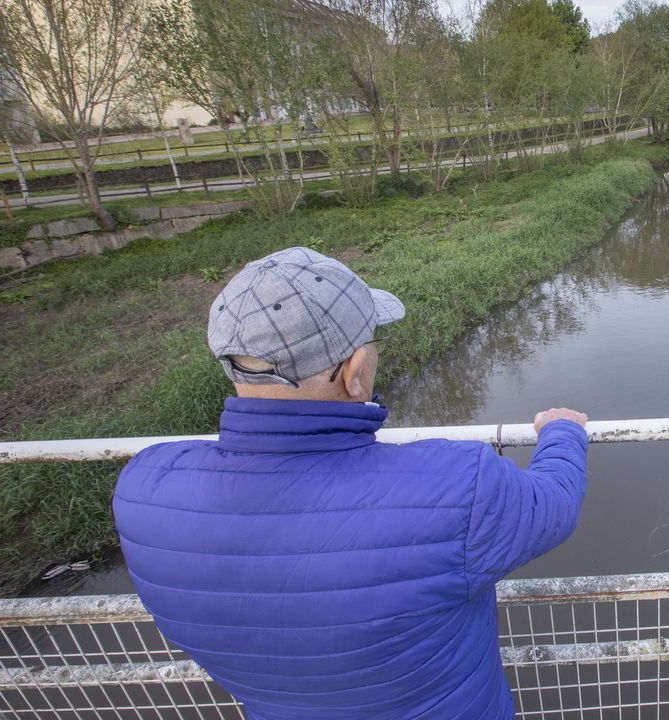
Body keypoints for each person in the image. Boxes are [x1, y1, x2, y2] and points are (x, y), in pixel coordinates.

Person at [113, 246, 589, 720]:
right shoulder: (459, 486)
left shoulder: (144, 491)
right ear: (354, 373)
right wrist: (562, 430)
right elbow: (553, 504)